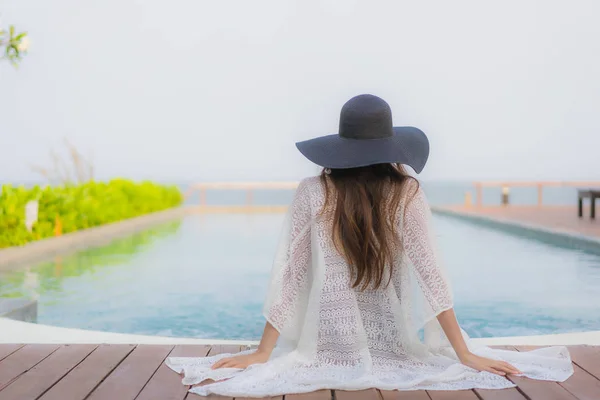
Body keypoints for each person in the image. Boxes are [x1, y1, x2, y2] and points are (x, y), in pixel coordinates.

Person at [166, 94, 573, 397]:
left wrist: (262, 352)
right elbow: (432, 277)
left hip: (324, 346)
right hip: (394, 346)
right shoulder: (406, 193)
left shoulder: (313, 191)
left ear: (341, 145)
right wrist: (462, 352)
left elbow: (290, 276)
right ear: (390, 145)